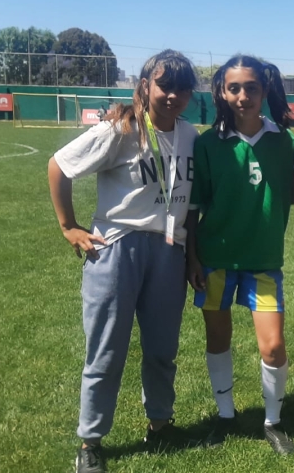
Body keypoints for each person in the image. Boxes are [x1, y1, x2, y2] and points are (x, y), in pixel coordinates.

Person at [48, 50, 199, 473]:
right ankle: (90, 441)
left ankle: (160, 423)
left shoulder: (190, 136)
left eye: (182, 88)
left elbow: (192, 204)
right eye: (164, 85)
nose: (173, 95)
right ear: (146, 84)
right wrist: (68, 226)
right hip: (117, 247)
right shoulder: (122, 128)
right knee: (107, 350)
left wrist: (191, 257)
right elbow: (59, 166)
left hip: (170, 250)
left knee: (162, 350)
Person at [186, 55, 294, 455]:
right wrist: (192, 258)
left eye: (251, 87)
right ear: (221, 92)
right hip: (216, 259)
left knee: (272, 346)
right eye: (233, 88)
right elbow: (193, 208)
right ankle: (225, 416)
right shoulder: (207, 144)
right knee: (218, 338)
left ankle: (273, 422)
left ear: (264, 90)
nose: (242, 96)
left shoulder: (285, 142)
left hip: (264, 262)